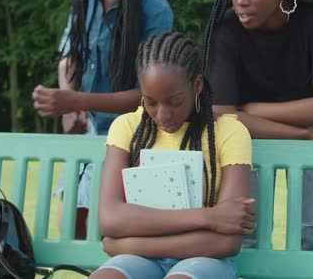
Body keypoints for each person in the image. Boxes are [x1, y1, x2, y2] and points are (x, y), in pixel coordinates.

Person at [204, 0, 313, 250]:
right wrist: (304, 132)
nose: (241, 0)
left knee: (310, 239)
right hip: (250, 142)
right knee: (246, 240)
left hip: (304, 149)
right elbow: (223, 118)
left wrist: (254, 110)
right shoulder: (226, 27)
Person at [32, 0, 173, 239]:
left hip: (134, 138)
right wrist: (70, 108)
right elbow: (69, 58)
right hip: (91, 131)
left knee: (108, 233)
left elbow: (149, 96)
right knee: (71, 227)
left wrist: (76, 100)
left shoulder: (155, 9)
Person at [90, 32, 254, 279]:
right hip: (137, 260)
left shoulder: (229, 132)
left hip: (205, 261)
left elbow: (227, 243)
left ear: (197, 86)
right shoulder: (127, 127)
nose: (163, 114)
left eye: (174, 101)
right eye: (151, 102)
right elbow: (110, 219)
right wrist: (209, 217)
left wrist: (124, 243)